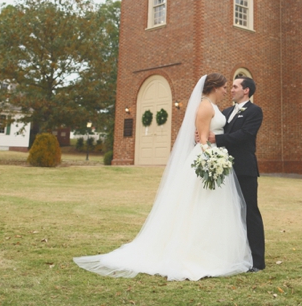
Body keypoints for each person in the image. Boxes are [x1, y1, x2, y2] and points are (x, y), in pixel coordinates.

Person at [73, 73, 252, 281]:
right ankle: (193, 252)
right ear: (214, 87)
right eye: (224, 87)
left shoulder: (215, 107)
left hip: (216, 158)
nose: (226, 91)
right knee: (198, 205)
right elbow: (202, 139)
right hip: (207, 159)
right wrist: (211, 159)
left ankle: (214, 250)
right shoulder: (205, 106)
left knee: (213, 206)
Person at [208, 76, 265, 272]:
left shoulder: (254, 111)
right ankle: (234, 254)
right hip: (224, 168)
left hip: (244, 169)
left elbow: (245, 135)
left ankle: (257, 261)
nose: (231, 90)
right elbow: (215, 130)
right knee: (229, 212)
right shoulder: (226, 111)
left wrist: (217, 138)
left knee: (250, 212)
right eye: (230, 87)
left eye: (235, 87)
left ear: (246, 90)